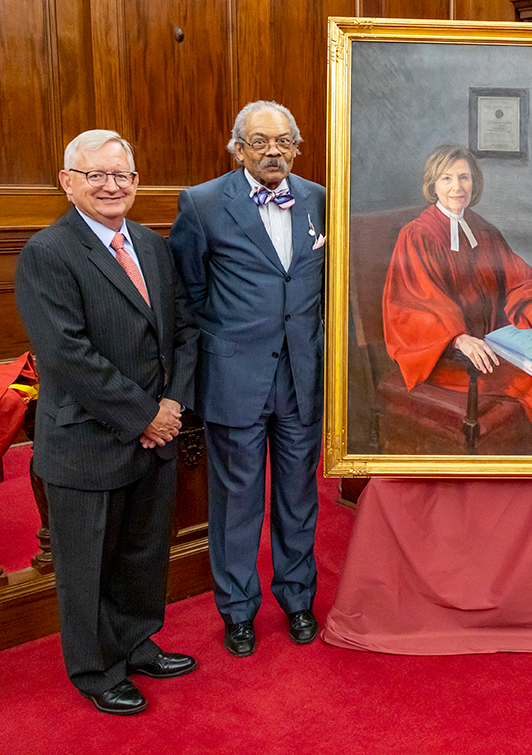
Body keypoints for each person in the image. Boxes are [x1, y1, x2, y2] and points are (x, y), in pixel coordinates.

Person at [14, 130, 199, 715]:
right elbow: (67, 355)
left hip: (156, 434)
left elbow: (183, 330)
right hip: (88, 440)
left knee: (142, 553)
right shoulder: (48, 252)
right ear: (68, 183)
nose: (111, 185)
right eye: (95, 175)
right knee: (87, 562)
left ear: (137, 182)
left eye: (121, 175)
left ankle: (137, 643)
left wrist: (171, 407)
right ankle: (95, 669)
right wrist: (143, 415)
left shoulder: (151, 242)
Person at [170, 101, 327, 657]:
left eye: (283, 141)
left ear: (297, 147)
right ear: (237, 148)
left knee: (298, 497)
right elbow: (185, 296)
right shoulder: (203, 202)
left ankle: (298, 599)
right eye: (259, 142)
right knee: (236, 501)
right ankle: (238, 610)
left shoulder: (318, 200)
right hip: (234, 379)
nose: (272, 152)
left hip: (302, 378)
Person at [382, 144, 532, 455]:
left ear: (474, 183)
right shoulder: (417, 236)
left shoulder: (481, 229)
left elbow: (516, 277)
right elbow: (417, 304)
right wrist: (458, 339)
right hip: (448, 357)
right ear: (433, 185)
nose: (457, 187)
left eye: (464, 178)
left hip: (496, 343)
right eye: (447, 178)